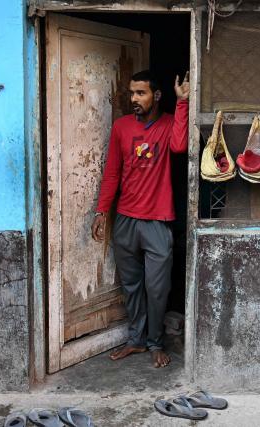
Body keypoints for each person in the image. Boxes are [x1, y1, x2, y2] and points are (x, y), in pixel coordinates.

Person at [91, 70, 189, 368]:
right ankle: (136, 339)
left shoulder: (169, 122)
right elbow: (112, 173)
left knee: (157, 287)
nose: (133, 99)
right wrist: (102, 210)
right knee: (131, 285)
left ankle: (156, 341)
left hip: (158, 220)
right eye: (132, 93)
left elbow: (180, 146)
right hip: (125, 220)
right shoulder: (121, 127)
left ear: (157, 95)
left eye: (140, 93)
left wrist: (183, 102)